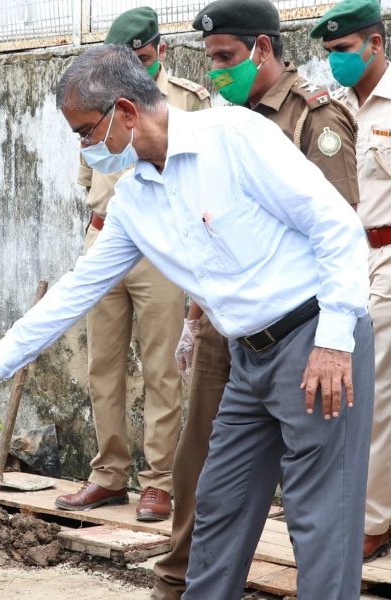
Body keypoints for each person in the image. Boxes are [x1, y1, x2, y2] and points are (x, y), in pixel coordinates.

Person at [0, 44, 373, 600]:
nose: (85, 147)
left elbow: (336, 228)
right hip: (247, 357)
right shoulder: (134, 197)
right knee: (218, 506)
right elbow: (76, 289)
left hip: (315, 338)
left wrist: (333, 339)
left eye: (86, 131)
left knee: (320, 520)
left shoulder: (234, 137)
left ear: (127, 112)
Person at [150, 1, 361, 597]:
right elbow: (209, 231)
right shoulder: (222, 118)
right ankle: (181, 582)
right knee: (209, 480)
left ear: (263, 50)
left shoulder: (311, 117)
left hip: (302, 328)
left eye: (225, 59)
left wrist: (332, 339)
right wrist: (195, 318)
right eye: (210, 61)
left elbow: (337, 225)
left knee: (312, 502)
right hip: (232, 327)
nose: (216, 73)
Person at [55, 6, 210, 522]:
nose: (138, 72)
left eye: (144, 60)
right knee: (103, 365)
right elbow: (89, 176)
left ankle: (160, 481)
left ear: (160, 52)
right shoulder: (96, 103)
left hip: (161, 249)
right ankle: (108, 474)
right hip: (104, 239)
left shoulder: (187, 100)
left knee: (162, 366)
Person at [311, 0, 391, 563]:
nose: (336, 61)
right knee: (354, 392)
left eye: (344, 50)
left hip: (387, 259)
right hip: (344, 265)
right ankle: (359, 508)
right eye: (329, 53)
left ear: (376, 44)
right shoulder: (334, 109)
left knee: (378, 395)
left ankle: (374, 519)